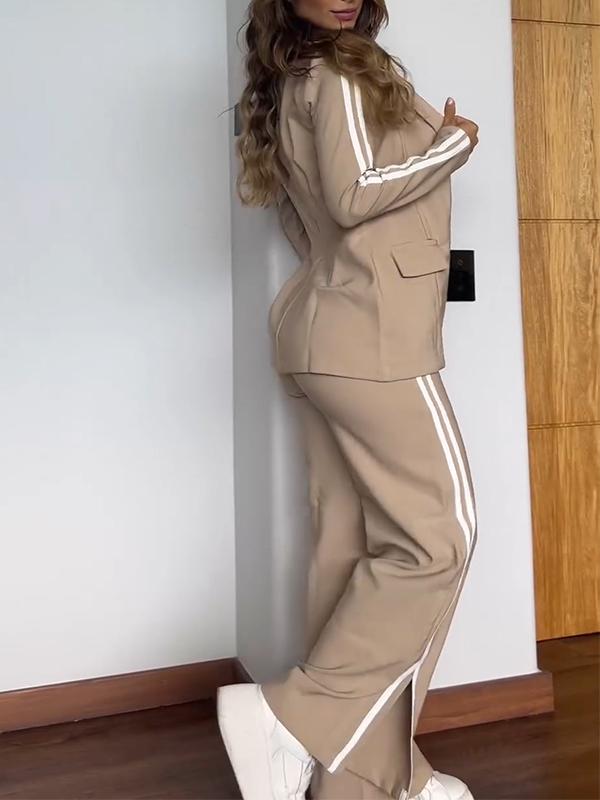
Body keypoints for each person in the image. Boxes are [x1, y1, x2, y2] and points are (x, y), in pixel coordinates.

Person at [217, 1, 480, 799]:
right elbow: (353, 194)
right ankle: (290, 720)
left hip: (320, 334)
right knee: (442, 538)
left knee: (350, 548)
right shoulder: (335, 70)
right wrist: (452, 143)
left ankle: (361, 785)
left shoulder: (294, 76)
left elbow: (306, 223)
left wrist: (345, 275)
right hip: (370, 338)